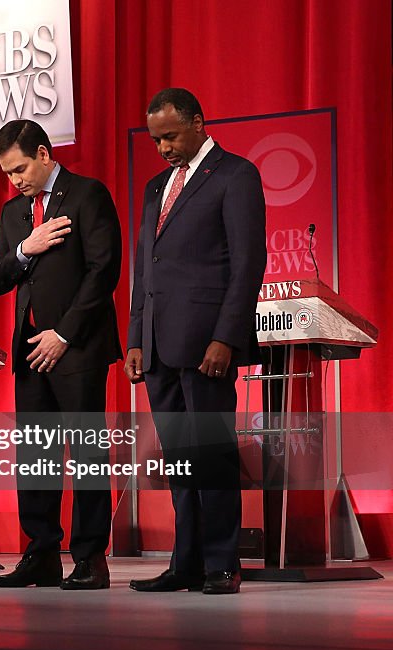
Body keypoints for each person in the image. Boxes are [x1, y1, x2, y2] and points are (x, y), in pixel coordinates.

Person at [125, 88, 266, 595]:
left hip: (207, 343)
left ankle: (222, 563)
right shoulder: (155, 186)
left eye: (171, 135)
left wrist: (226, 336)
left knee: (212, 455)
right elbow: (146, 267)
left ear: (199, 122)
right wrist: (136, 336)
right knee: (180, 460)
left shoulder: (235, 174)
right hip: (158, 344)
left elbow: (248, 263)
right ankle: (185, 563)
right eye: (155, 138)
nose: (162, 147)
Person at [0, 120, 122, 590]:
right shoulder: (12, 213)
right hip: (31, 349)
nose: (15, 180)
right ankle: (41, 553)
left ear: (44, 154)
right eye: (6, 173)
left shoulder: (87, 195)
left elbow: (104, 271)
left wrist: (63, 332)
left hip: (76, 345)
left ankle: (89, 558)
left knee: (86, 455)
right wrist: (25, 248)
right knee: (35, 456)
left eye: (20, 168)